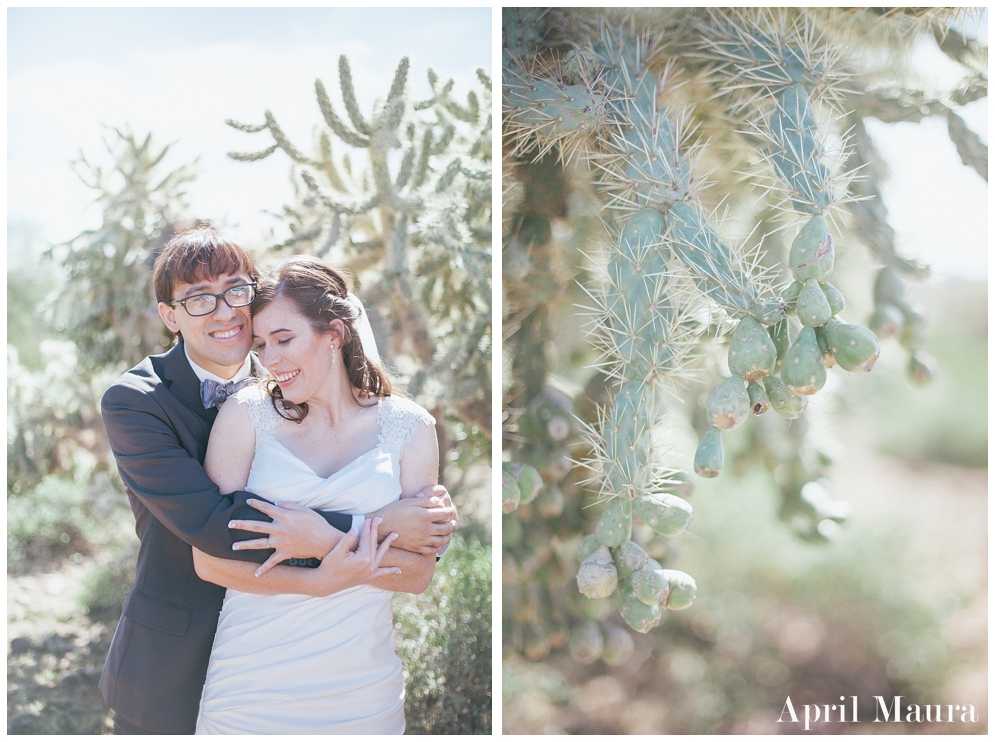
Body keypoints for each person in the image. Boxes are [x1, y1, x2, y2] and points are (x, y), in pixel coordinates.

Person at [99, 228, 457, 735]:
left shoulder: (292, 388)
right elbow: (210, 525)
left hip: (349, 674)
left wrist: (405, 532)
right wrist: (375, 526)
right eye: (199, 299)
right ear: (170, 316)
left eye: (235, 290)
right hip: (181, 656)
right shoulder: (136, 401)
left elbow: (419, 568)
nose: (224, 312)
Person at [192, 257, 437, 733]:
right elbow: (210, 562)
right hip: (249, 688)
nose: (271, 360)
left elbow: (418, 573)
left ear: (334, 335)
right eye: (261, 345)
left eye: (285, 340)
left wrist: (324, 540)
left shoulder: (409, 427)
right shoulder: (245, 416)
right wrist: (344, 557)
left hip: (362, 694)